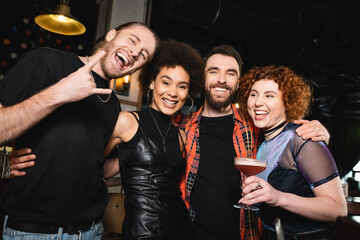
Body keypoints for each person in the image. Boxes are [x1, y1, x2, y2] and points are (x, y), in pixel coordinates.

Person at [0, 22, 158, 240]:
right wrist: (59, 93)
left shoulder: (112, 103)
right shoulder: (47, 60)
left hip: (90, 231)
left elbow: (100, 169)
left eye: (143, 55)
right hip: (32, 231)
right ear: (111, 34)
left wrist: (139, 146)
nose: (134, 52)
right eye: (132, 40)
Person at [177, 45, 330, 240]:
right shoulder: (182, 125)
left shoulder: (255, 124)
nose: (222, 79)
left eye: (230, 73)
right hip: (191, 233)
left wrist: (320, 134)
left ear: (239, 82)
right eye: (213, 71)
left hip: (245, 233)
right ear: (202, 76)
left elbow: (287, 133)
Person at [102, 38, 204, 239]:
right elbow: (97, 167)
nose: (173, 93)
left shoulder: (180, 135)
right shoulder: (127, 121)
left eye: (181, 87)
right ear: (151, 82)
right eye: (166, 82)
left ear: (188, 93)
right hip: (143, 230)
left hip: (181, 227)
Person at [237, 65, 347, 239]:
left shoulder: (301, 138)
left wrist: (278, 197)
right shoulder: (260, 140)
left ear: (287, 101)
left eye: (269, 95)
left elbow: (337, 210)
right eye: (253, 94)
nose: (258, 102)